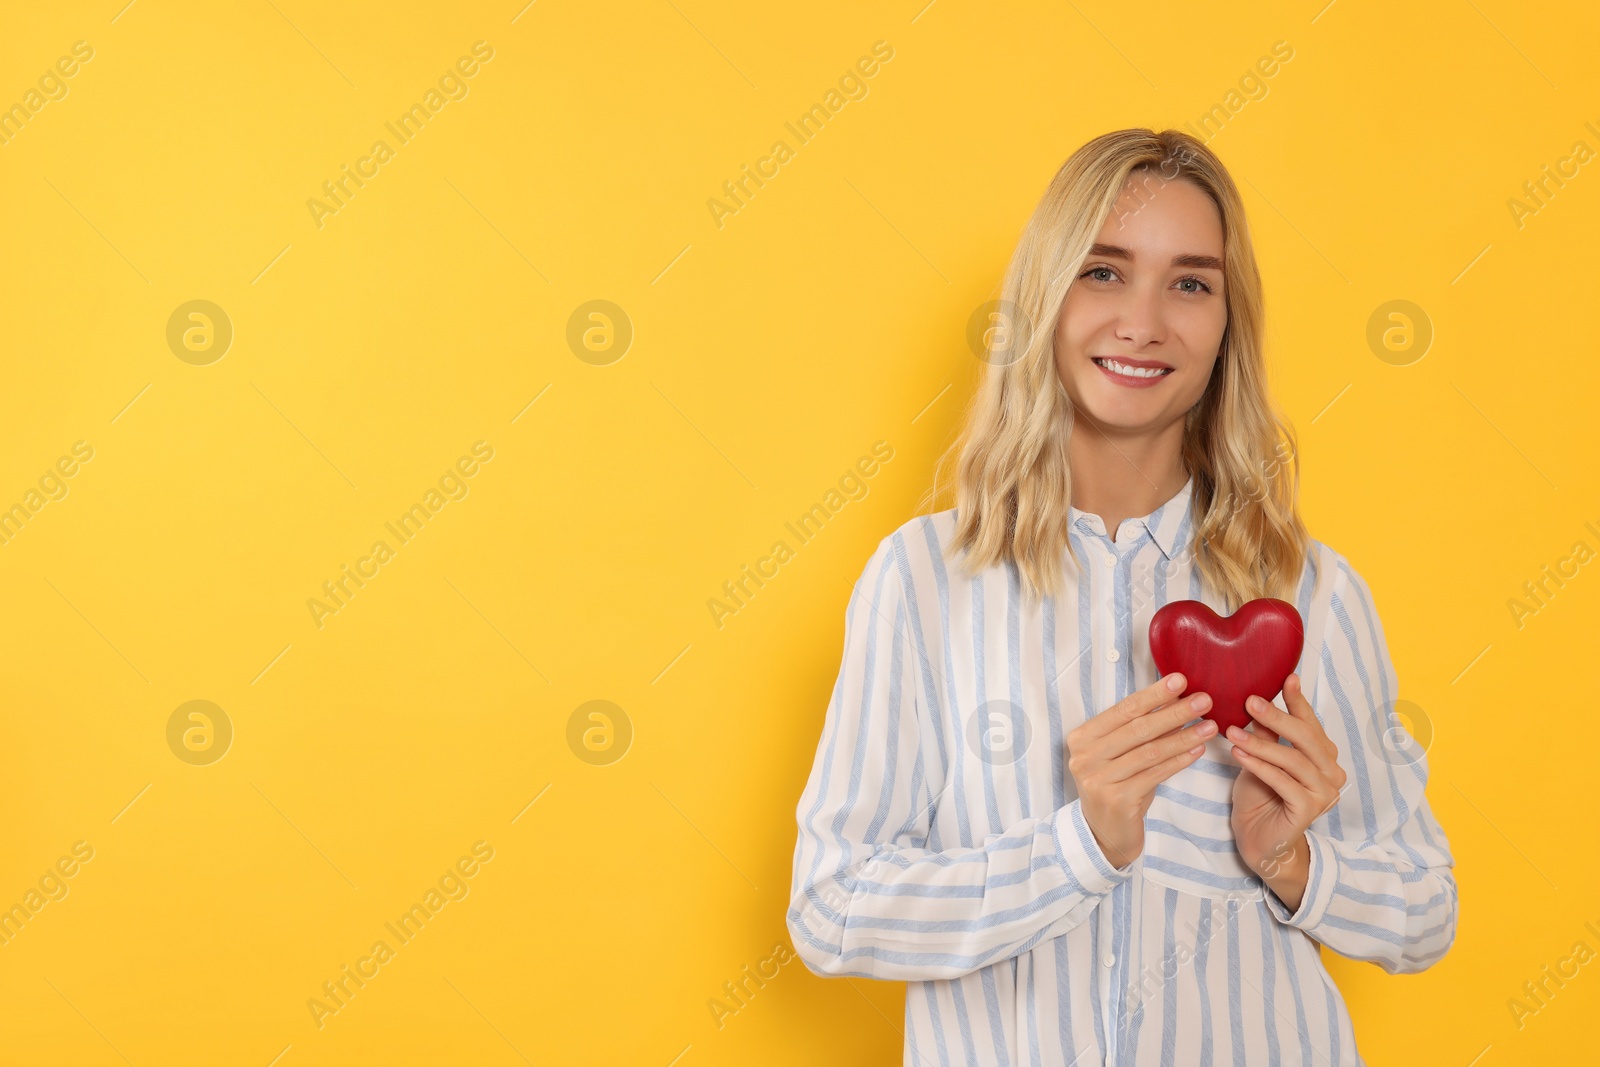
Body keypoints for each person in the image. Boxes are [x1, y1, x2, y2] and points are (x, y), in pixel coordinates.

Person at [785, 128, 1458, 1066]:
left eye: (1190, 283)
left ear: (1229, 323)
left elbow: (1425, 908)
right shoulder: (925, 581)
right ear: (1047, 298)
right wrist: (1079, 848)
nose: (1143, 322)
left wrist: (1294, 863)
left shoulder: (1314, 592)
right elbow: (832, 907)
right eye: (1104, 272)